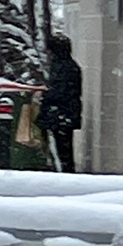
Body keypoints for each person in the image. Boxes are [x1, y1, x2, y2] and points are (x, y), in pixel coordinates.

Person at [40, 33, 84, 174]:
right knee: (63, 146)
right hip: (65, 112)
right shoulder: (68, 66)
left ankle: (66, 173)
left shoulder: (62, 67)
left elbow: (60, 92)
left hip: (61, 112)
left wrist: (44, 95)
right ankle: (65, 170)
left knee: (63, 147)